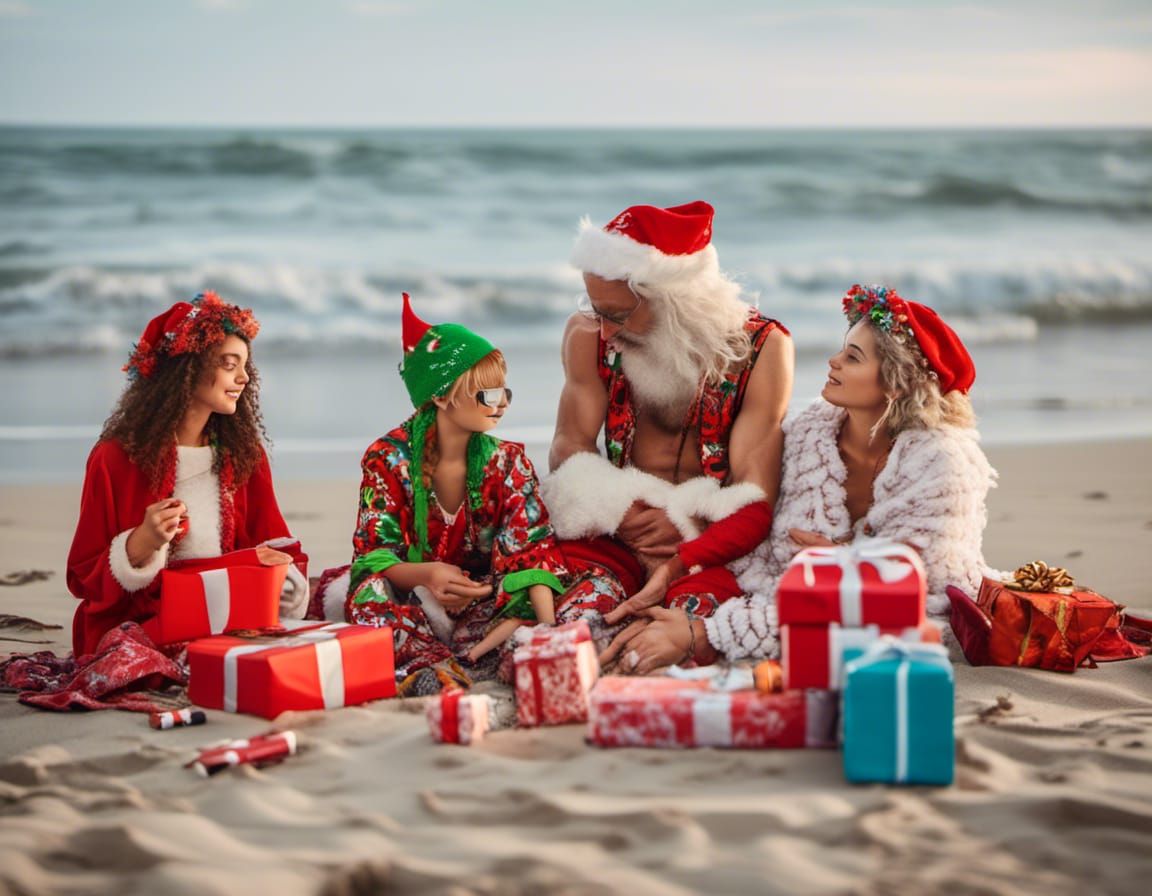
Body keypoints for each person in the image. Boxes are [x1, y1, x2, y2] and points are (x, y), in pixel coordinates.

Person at [619, 285, 998, 672]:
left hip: (918, 603)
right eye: (842, 349)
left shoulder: (944, 464)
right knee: (680, 600)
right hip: (800, 592)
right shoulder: (808, 434)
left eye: (852, 357)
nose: (832, 362)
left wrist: (705, 633)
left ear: (896, 382)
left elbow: (908, 593)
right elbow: (773, 548)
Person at [320, 294, 626, 691]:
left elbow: (530, 551)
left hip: (489, 600)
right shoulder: (387, 458)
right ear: (441, 395)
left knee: (598, 585)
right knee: (367, 594)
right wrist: (427, 574)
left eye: (503, 393)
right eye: (487, 394)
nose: (500, 406)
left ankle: (502, 653)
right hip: (418, 599)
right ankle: (428, 669)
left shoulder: (508, 461)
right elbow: (374, 552)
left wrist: (543, 630)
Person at [544, 200, 793, 663]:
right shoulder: (587, 336)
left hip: (708, 546)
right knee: (573, 621)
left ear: (678, 304)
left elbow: (754, 495)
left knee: (686, 635)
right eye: (594, 309)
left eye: (616, 315)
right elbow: (569, 448)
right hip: (612, 533)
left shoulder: (762, 350)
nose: (603, 332)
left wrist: (690, 540)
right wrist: (619, 508)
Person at [66, 291, 309, 656]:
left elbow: (271, 543)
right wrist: (140, 544)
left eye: (246, 366)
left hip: (226, 616)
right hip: (146, 621)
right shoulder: (114, 459)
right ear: (187, 370)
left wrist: (278, 572)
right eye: (229, 364)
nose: (244, 378)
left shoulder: (244, 456)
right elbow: (82, 577)